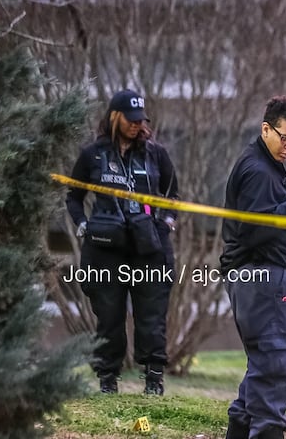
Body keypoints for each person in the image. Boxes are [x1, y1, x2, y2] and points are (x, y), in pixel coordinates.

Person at [65, 89, 178, 395]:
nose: (136, 125)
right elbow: (74, 197)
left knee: (152, 316)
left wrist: (166, 223)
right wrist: (83, 225)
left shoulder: (156, 154)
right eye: (130, 119)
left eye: (140, 120)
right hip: (105, 248)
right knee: (109, 316)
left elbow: (172, 195)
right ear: (115, 117)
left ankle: (153, 380)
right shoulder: (92, 155)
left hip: (149, 247)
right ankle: (107, 379)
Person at [220, 95, 286, 439]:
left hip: (265, 277)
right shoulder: (258, 170)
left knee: (264, 365)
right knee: (276, 365)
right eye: (285, 137)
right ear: (266, 129)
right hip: (266, 279)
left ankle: (240, 430)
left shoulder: (270, 165)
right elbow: (252, 231)